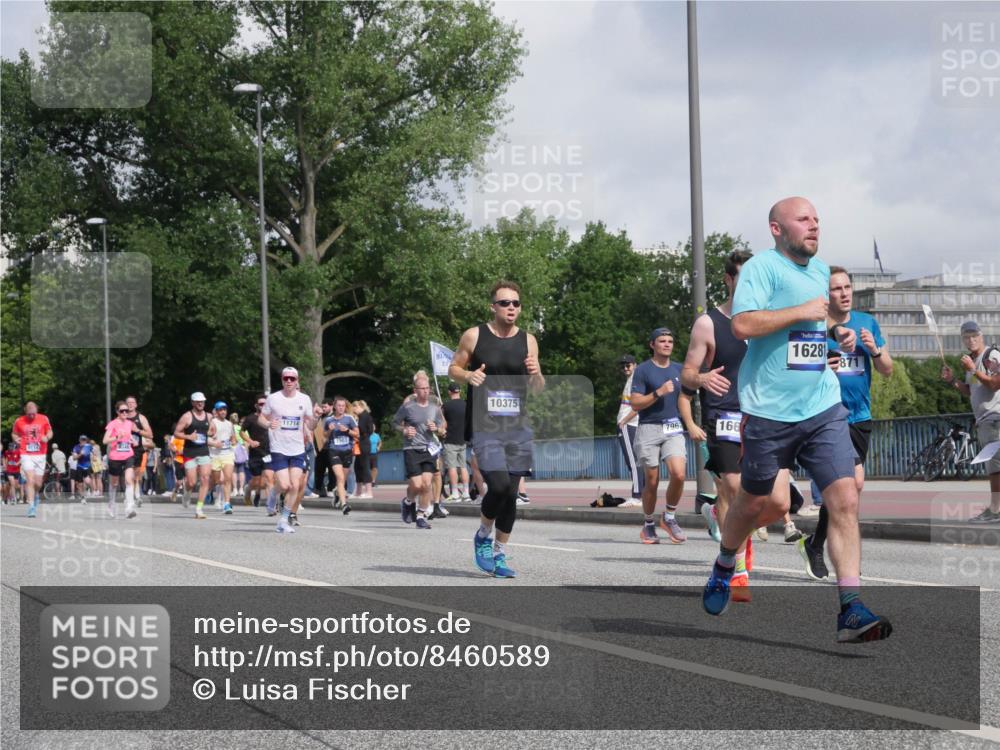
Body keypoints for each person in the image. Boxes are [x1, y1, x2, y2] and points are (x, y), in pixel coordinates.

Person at [701, 196, 892, 644]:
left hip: (822, 407)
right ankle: (726, 562)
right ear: (776, 228)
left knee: (845, 497)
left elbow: (813, 330)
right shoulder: (761, 269)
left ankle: (850, 607)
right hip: (768, 412)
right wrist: (803, 313)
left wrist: (834, 333)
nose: (814, 225)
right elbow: (743, 325)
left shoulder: (821, 270)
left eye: (817, 219)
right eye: (803, 219)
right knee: (757, 505)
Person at [798, 266, 894, 577]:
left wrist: (875, 349)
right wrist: (821, 364)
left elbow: (887, 370)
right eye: (837, 289)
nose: (845, 293)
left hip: (860, 417)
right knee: (854, 484)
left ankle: (815, 543)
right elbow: (796, 372)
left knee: (847, 491)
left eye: (848, 287)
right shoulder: (815, 327)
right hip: (828, 416)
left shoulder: (866, 323)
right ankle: (845, 561)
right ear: (827, 295)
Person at [450, 280, 544, 577]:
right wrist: (468, 376)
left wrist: (536, 372)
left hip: (517, 425)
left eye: (516, 303)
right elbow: (453, 368)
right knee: (500, 486)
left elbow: (538, 387)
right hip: (485, 424)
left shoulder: (529, 340)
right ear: (493, 307)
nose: (511, 308)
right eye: (505, 303)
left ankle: (500, 553)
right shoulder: (474, 336)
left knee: (512, 492)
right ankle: (482, 535)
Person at [629, 328, 688, 545]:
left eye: (670, 341)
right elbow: (635, 403)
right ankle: (648, 524)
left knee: (679, 474)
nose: (667, 344)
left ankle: (669, 516)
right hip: (648, 428)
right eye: (662, 341)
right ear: (652, 344)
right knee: (652, 481)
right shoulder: (643, 370)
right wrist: (658, 393)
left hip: (673, 428)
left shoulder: (679, 369)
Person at [942, 320, 1000, 522]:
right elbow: (970, 390)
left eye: (974, 335)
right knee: (994, 465)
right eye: (967, 336)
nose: (971, 339)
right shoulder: (970, 361)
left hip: (995, 417)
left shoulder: (990, 356)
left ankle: (995, 510)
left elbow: (995, 384)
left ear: (981, 336)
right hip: (985, 419)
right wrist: (952, 381)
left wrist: (974, 370)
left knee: (995, 466)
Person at [259, 367, 322, 533]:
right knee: (285, 485)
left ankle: (283, 520)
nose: (289, 381)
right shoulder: (273, 398)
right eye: (286, 378)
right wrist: (267, 424)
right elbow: (261, 417)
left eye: (292, 379)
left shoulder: (304, 399)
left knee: (295, 485)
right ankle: (273, 494)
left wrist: (316, 417)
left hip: (297, 448)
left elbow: (310, 425)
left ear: (297, 381)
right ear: (281, 379)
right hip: (278, 447)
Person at [393, 371, 446, 529]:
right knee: (416, 485)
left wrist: (436, 428)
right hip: (411, 448)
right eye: (422, 388)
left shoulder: (434, 408)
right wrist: (404, 430)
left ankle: (421, 515)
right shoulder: (408, 407)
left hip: (428, 449)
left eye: (427, 388)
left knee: (427, 484)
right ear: (415, 390)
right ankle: (408, 502)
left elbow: (443, 427)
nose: (425, 391)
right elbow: (395, 422)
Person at [174, 392, 217, 519]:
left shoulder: (209, 416)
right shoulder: (187, 417)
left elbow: (213, 430)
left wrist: (211, 433)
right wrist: (188, 436)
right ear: (192, 403)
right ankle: (186, 493)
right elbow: (177, 432)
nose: (200, 404)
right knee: (192, 482)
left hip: (203, 451)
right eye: (197, 402)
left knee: (205, 479)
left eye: (202, 401)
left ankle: (199, 508)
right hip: (190, 452)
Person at [12, 402, 54, 518]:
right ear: (25, 410)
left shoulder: (43, 418)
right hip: (26, 453)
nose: (31, 416)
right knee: (29, 479)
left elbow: (50, 431)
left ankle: (36, 495)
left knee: (38, 483)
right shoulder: (19, 421)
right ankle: (31, 507)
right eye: (29, 414)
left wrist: (47, 437)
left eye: (33, 414)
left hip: (40, 454)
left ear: (37, 410)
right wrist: (16, 439)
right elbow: (14, 434)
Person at [103, 400, 139, 518]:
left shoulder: (129, 423)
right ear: (117, 412)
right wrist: (116, 437)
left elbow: (129, 437)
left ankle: (129, 508)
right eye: (122, 411)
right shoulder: (113, 424)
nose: (124, 413)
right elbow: (105, 440)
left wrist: (133, 441)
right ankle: (111, 504)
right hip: (115, 457)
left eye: (126, 411)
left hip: (128, 454)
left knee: (129, 480)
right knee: (114, 483)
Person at [615, 354, 643, 508]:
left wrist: (623, 421)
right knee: (636, 460)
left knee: (633, 461)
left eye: (628, 365)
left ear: (635, 365)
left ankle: (637, 496)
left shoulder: (634, 380)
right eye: (623, 366)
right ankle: (640, 494)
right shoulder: (632, 380)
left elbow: (639, 405)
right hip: (632, 423)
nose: (625, 368)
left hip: (628, 424)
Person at [324, 396, 358, 513]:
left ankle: (337, 492)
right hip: (334, 450)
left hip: (347, 451)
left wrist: (347, 431)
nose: (341, 408)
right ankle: (344, 505)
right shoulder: (329, 420)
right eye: (339, 406)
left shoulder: (349, 419)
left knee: (343, 480)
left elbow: (357, 434)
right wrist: (329, 430)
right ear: (334, 406)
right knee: (340, 477)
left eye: (343, 406)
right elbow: (324, 436)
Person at [241, 395, 274, 512]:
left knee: (269, 480)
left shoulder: (272, 417)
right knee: (257, 482)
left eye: (265, 403)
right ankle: (248, 489)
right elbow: (241, 432)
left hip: (268, 452)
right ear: (256, 405)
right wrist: (250, 441)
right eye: (261, 404)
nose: (263, 406)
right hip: (255, 453)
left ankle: (271, 506)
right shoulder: (250, 418)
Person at [441, 382, 472, 503]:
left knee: (452, 467)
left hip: (450, 440)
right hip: (462, 440)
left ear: (449, 392)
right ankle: (466, 493)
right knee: (463, 467)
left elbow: (443, 424)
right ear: (459, 391)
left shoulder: (446, 406)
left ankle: (454, 493)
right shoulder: (466, 405)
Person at [207, 401, 237, 513]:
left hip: (227, 454)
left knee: (227, 479)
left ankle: (227, 504)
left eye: (224, 409)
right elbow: (206, 439)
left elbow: (233, 438)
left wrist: (233, 442)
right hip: (215, 455)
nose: (223, 411)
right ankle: (210, 491)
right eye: (220, 409)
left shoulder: (229, 424)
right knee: (218, 480)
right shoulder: (213, 423)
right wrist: (215, 443)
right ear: (216, 411)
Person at [125, 396, 153, 508]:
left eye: (133, 403)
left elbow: (150, 434)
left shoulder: (141, 418)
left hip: (137, 450)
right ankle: (131, 498)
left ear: (136, 405)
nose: (130, 404)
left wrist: (137, 430)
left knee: (136, 476)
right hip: (125, 450)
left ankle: (136, 496)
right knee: (128, 475)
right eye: (128, 403)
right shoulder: (122, 418)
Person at [353, 400, 375, 499]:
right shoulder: (360, 417)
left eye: (355, 407)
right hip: (359, 444)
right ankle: (358, 491)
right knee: (358, 467)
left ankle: (369, 491)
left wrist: (360, 433)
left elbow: (370, 429)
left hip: (364, 443)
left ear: (360, 407)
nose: (353, 409)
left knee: (365, 467)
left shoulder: (365, 416)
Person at [312, 399, 334, 498]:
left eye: (325, 407)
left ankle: (331, 488)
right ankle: (319, 489)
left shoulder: (333, 417)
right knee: (319, 470)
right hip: (320, 447)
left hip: (330, 447)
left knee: (332, 469)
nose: (323, 409)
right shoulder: (321, 417)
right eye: (322, 407)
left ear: (331, 406)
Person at [71, 435, 94, 501]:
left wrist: (93, 457)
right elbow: (74, 458)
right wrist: (81, 454)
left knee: (88, 481)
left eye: (85, 440)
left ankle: (91, 491)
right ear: (79, 440)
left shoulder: (89, 446)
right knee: (79, 484)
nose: (83, 441)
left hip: (87, 466)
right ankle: (82, 497)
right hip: (79, 466)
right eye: (82, 440)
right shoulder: (76, 447)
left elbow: (94, 454)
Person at [231, 413, 248, 499]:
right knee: (241, 470)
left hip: (232, 449)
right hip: (242, 450)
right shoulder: (241, 428)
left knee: (234, 471)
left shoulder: (230, 428)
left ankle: (234, 489)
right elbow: (246, 440)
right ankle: (241, 489)